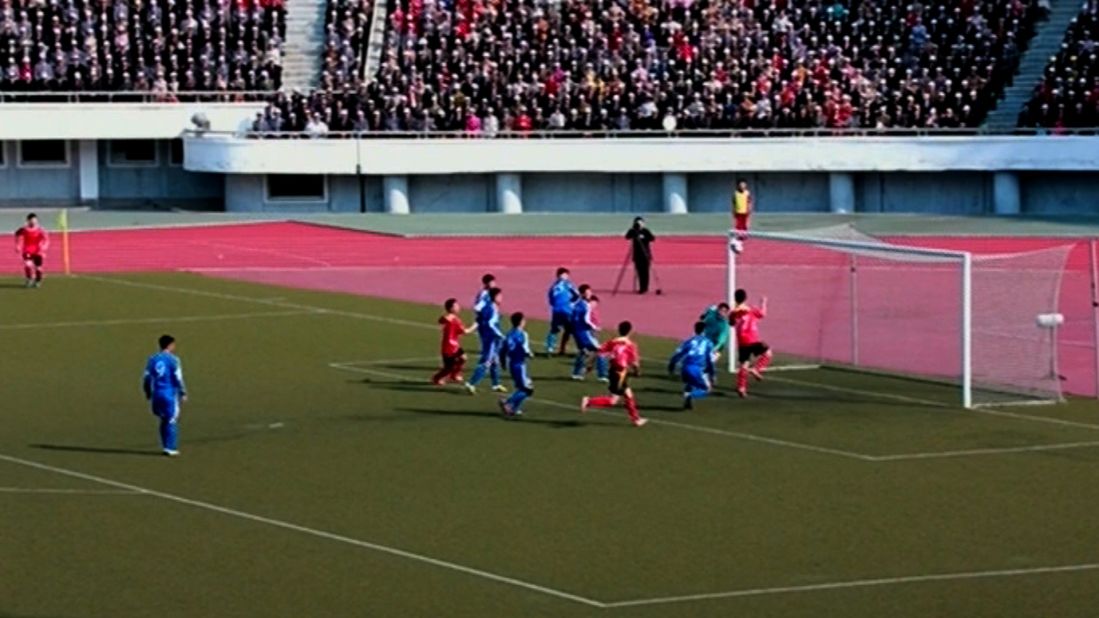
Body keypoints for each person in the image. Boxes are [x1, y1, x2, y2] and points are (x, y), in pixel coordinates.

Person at [580, 321, 648, 427]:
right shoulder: (630, 345)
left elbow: (598, 351)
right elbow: (635, 363)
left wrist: (590, 365)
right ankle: (589, 401)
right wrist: (637, 372)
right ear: (630, 331)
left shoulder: (613, 342)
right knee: (613, 400)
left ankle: (636, 419)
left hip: (614, 371)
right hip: (619, 374)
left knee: (628, 394)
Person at [142, 335, 187, 457]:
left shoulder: (152, 359)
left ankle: (165, 445)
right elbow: (178, 377)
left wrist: (147, 392)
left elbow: (146, 378)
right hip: (169, 394)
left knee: (164, 419)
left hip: (157, 394)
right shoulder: (173, 360)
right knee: (171, 419)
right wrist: (183, 392)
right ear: (170, 345)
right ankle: (170, 447)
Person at [466, 287, 508, 394]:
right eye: (499, 296)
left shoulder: (491, 307)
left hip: (490, 338)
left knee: (495, 361)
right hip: (490, 339)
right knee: (486, 362)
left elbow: (481, 318)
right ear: (495, 297)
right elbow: (490, 324)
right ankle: (471, 383)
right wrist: (500, 335)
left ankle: (496, 384)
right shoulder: (491, 308)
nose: (501, 298)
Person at [731, 289, 772, 397]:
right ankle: (756, 369)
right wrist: (763, 303)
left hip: (742, 342)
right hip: (752, 339)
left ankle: (741, 387)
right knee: (768, 352)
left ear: (735, 298)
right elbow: (762, 314)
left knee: (744, 364)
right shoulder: (750, 310)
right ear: (745, 298)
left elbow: (731, 323)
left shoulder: (734, 312)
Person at [668, 322, 717, 409]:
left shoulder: (688, 341)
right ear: (705, 331)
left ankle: (687, 400)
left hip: (684, 368)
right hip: (697, 368)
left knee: (691, 383)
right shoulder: (708, 343)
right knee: (706, 389)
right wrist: (712, 375)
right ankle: (690, 396)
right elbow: (710, 361)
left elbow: (677, 354)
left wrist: (671, 366)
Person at [432, 298, 477, 386]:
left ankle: (454, 375)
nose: (459, 307)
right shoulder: (452, 319)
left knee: (463, 358)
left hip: (455, 346)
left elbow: (442, 320)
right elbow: (465, 332)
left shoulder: (455, 319)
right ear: (451, 308)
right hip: (448, 348)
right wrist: (475, 325)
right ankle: (436, 378)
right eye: (456, 306)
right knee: (448, 368)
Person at [570, 284, 609, 381]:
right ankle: (602, 375)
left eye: (590, 292)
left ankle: (576, 373)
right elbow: (586, 320)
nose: (589, 294)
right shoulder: (585, 305)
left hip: (576, 332)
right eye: (587, 292)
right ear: (583, 294)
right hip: (584, 332)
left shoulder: (576, 303)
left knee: (583, 351)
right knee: (601, 350)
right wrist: (594, 327)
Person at [500, 312, 534, 417]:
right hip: (520, 364)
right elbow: (524, 348)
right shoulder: (523, 334)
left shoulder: (508, 334)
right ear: (520, 322)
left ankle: (514, 409)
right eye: (524, 320)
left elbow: (502, 351)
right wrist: (529, 354)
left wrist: (503, 362)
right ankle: (508, 402)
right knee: (528, 389)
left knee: (521, 387)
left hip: (512, 363)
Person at [545, 267, 578, 355]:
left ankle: (551, 348)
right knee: (568, 329)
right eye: (564, 275)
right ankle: (555, 348)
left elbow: (551, 300)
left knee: (557, 330)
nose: (565, 276)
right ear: (559, 275)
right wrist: (571, 303)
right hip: (566, 311)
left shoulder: (553, 287)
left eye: (566, 275)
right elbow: (577, 295)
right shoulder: (568, 285)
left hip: (557, 310)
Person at [14, 213, 48, 288]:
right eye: (32, 220)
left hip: (38, 251)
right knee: (28, 265)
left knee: (38, 268)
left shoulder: (40, 230)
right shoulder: (24, 229)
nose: (34, 222)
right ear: (28, 221)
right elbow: (17, 235)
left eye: (35, 220)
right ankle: (29, 279)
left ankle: (38, 281)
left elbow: (46, 239)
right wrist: (17, 245)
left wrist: (44, 247)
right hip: (27, 250)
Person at [624, 217, 655, 294]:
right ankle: (641, 287)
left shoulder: (645, 231)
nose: (639, 224)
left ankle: (645, 287)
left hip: (645, 255)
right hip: (637, 255)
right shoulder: (633, 231)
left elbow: (652, 238)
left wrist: (644, 237)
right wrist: (634, 230)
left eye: (640, 222)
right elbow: (627, 237)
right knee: (639, 272)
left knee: (645, 272)